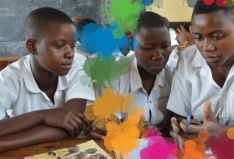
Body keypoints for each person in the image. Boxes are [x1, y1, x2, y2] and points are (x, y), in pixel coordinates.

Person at [167, 0, 234, 149]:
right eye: (198, 38)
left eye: (217, 37)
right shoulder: (187, 59)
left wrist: (219, 133)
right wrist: (184, 129)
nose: (206, 47)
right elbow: (180, 116)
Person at [0, 7, 94, 152]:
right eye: (59, 46)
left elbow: (73, 126)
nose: (70, 53)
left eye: (73, 45)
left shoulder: (79, 65)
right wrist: (41, 116)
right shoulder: (9, 79)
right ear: (33, 47)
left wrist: (3, 144)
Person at [90, 11, 177, 139]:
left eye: (165, 47)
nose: (158, 56)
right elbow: (108, 124)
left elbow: (177, 121)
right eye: (148, 48)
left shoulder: (175, 74)